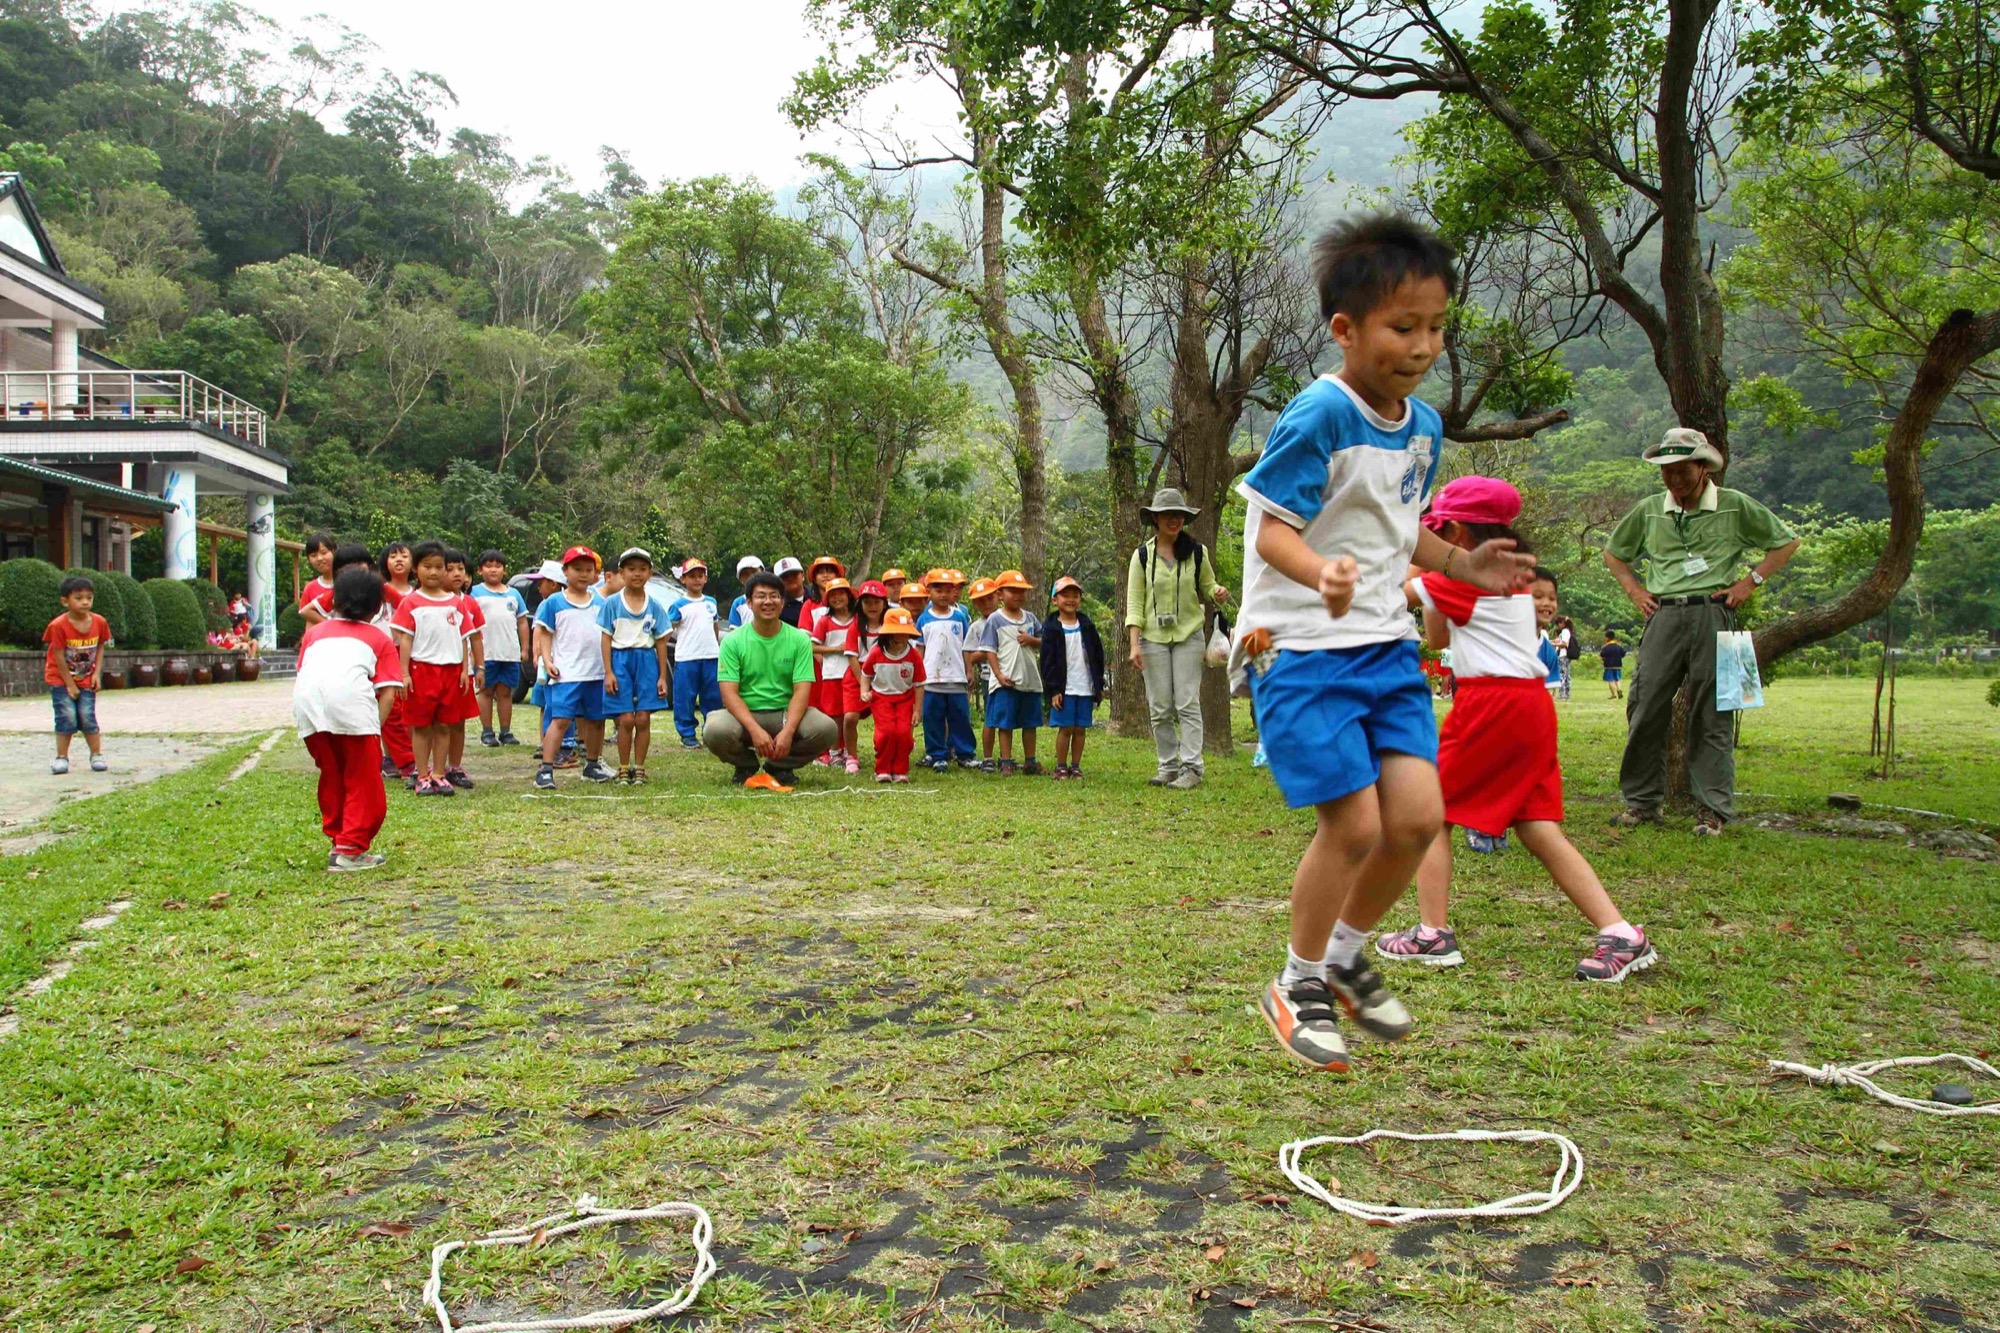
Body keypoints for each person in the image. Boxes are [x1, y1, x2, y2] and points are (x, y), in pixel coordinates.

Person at [1230, 212, 1536, 1074]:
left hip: (1387, 649)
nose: (1424, 344)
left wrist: (1464, 563)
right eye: (1404, 327)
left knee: (1415, 818)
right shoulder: (1319, 414)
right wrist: (1317, 569)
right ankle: (1296, 981)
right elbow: (1271, 535)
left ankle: (1346, 957)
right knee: (1355, 824)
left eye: (1437, 326)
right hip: (1300, 651)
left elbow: (1402, 534)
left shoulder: (1426, 427)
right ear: (1346, 328)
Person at [1374, 477, 1658, 981]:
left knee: (1430, 812)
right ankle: (1620, 933)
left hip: (1491, 704)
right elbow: (1439, 636)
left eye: (1439, 533)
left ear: (1457, 534)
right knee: (1536, 826)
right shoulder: (1514, 576)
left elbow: (1390, 595)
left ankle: (1431, 934)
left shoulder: (1461, 576)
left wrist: (1418, 559)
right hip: (1530, 706)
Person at [1603, 427, 1802, 835]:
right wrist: (1635, 590)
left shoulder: (1734, 505)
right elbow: (1614, 553)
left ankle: (1712, 810)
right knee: (1644, 706)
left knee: (1716, 712)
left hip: (1717, 614)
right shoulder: (1649, 510)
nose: (1674, 479)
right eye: (1666, 471)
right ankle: (1642, 803)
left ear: (1703, 467)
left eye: (1681, 470)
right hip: (1663, 614)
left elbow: (1785, 542)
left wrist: (1751, 583)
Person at [293, 566, 403, 872]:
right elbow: (388, 693)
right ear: (378, 607)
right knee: (364, 781)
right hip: (353, 711)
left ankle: (338, 839)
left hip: (308, 711)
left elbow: (306, 673)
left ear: (334, 601)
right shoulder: (378, 638)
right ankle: (350, 849)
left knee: (333, 775)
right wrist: (374, 731)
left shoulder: (314, 633)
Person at [1126, 488, 1232, 790]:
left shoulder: (1197, 552)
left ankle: (1192, 768)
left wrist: (1218, 593)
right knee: (1159, 706)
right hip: (1152, 638)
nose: (1174, 520)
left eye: (1179, 515)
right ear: (1156, 518)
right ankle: (1167, 766)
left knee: (1187, 703)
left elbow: (1209, 586)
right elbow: (1135, 603)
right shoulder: (1142, 555)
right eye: (1168, 515)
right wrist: (1134, 644)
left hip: (1189, 636)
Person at [708, 570, 839, 788]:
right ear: (749, 603)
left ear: (782, 601)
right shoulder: (732, 641)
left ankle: (779, 766)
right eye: (760, 596)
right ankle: (745, 765)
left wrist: (788, 731)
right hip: (746, 715)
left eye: (774, 596)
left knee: (826, 729)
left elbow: (801, 691)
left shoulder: (799, 640)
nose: (768, 601)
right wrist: (754, 730)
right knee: (714, 730)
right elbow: (729, 693)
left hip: (785, 714)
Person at [388, 541, 476, 797]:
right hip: (421, 671)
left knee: (445, 725)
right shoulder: (411, 602)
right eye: (428, 566)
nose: (434, 572)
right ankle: (422, 774)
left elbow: (463, 638)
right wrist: (404, 674)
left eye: (440, 567)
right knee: (422, 726)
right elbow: (405, 639)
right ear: (416, 569)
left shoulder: (457, 603)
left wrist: (464, 669)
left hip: (450, 672)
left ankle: (439, 774)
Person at [533, 546, 614, 789]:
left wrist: (609, 669)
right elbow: (545, 633)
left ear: (595, 574)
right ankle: (546, 769)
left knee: (597, 721)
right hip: (566, 673)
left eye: (588, 570)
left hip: (596, 672)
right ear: (565, 571)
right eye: (576, 569)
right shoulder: (554, 602)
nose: (582, 574)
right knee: (561, 720)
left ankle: (592, 764)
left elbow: (608, 634)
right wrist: (547, 661)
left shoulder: (602, 603)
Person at [597, 547, 672, 784]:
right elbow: (606, 638)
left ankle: (639, 767)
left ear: (650, 573)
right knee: (626, 719)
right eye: (631, 569)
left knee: (643, 718)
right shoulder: (611, 604)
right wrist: (608, 672)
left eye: (642, 569)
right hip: (620, 660)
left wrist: (662, 676)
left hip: (646, 661)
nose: (636, 574)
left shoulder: (655, 606)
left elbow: (661, 642)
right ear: (621, 572)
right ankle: (623, 766)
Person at [1040, 576, 1107, 781]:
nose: (1070, 599)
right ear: (1055, 600)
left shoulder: (1087, 625)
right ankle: (1061, 766)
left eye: (1075, 596)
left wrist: (1099, 684)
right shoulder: (1051, 629)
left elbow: (1097, 655)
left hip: (1085, 685)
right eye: (1065, 595)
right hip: (1064, 688)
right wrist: (1053, 690)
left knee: (1080, 728)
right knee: (1066, 727)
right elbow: (1047, 662)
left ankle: (1075, 766)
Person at [44, 574, 112, 775]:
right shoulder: (57, 626)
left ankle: (96, 754)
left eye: (89, 597)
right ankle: (61, 758)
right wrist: (70, 685)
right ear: (65, 601)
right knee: (66, 717)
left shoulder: (99, 622)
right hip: (60, 679)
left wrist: (96, 674)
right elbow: (57, 656)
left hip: (86, 679)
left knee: (88, 717)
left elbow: (100, 646)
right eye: (79, 598)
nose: (85, 602)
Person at [979, 569, 1044, 775]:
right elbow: (989, 650)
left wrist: (1032, 640)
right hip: (1006, 681)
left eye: (1021, 591)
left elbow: (1045, 643)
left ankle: (1030, 761)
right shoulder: (995, 620)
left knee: (1030, 723)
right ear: (1000, 594)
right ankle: (1005, 761)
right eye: (1011, 591)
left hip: (1030, 679)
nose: (1017, 595)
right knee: (1005, 724)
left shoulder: (1031, 618)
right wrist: (998, 675)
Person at [857, 606, 926, 782]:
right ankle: (883, 769)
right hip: (881, 698)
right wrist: (864, 691)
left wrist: (917, 710)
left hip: (904, 698)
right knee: (886, 733)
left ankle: (900, 770)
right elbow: (866, 674)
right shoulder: (877, 652)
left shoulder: (913, 656)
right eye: (897, 632)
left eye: (905, 633)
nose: (902, 637)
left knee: (903, 734)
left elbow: (919, 684)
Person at [916, 571, 976, 771]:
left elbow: (966, 646)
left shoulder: (959, 617)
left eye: (947, 590)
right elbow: (920, 650)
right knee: (933, 718)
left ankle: (965, 753)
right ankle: (937, 754)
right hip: (931, 679)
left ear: (954, 592)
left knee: (960, 717)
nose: (943, 595)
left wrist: (969, 670)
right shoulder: (924, 619)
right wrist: (918, 677)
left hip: (956, 677)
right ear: (929, 592)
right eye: (937, 590)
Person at [471, 551, 529, 746]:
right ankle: (487, 732)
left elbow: (522, 622)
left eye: (497, 565)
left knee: (505, 693)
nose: (493, 569)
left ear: (504, 569)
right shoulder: (475, 593)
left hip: (509, 653)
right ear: (480, 570)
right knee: (485, 692)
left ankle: (506, 732)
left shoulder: (513, 594)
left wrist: (524, 648)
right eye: (488, 565)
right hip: (485, 652)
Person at [438, 547, 485, 790]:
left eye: (461, 569)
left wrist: (480, 668)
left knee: (458, 722)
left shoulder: (470, 603)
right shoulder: (429, 600)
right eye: (450, 569)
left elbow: (476, 637)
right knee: (434, 722)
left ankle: (454, 766)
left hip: (462, 673)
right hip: (436, 670)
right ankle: (427, 768)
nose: (457, 574)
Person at [668, 559, 724, 749]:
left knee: (713, 697)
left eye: (700, 576)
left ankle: (712, 732)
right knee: (685, 698)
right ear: (683, 579)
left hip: (711, 657)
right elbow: (669, 630)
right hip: (686, 658)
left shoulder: (711, 602)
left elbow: (714, 626)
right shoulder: (678, 605)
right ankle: (687, 734)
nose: (696, 580)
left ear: (706, 578)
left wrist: (715, 646)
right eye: (692, 576)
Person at [811, 578, 862, 773]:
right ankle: (834, 753)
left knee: (851, 716)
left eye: (841, 593)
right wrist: (835, 649)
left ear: (849, 596)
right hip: (832, 674)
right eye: (832, 595)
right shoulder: (825, 621)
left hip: (853, 673)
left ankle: (851, 752)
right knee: (834, 716)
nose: (837, 598)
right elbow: (812, 645)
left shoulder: (858, 619)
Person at [963, 577, 1001, 771]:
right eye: (980, 600)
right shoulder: (977, 627)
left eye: (989, 598)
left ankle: (1006, 757)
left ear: (998, 596)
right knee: (991, 717)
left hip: (1010, 676)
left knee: (1006, 718)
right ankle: (987, 758)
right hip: (989, 678)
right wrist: (986, 652)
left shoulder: (1008, 619)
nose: (986, 603)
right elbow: (968, 653)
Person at [1533, 571, 1564, 697]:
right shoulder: (1501, 644)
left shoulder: (1548, 652)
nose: (1547, 603)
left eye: (1552, 598)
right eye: (1538, 596)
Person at [297, 532, 338, 626]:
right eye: (313, 555)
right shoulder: (310, 587)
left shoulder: (347, 582)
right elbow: (308, 620)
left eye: (324, 553)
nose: (319, 558)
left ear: (334, 551)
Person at [725, 555, 764, 632]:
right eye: (745, 574)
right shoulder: (738, 604)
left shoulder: (774, 600)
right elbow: (734, 632)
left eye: (754, 572)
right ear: (740, 579)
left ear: (763, 572)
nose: (751, 576)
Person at [774, 556, 810, 627]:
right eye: (785, 577)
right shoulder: (777, 606)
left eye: (794, 574)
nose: (790, 579)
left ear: (802, 575)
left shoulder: (817, 598)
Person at [1552, 615, 1575, 700]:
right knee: (1566, 674)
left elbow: (1564, 643)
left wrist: (1554, 644)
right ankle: (1567, 693)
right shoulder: (1566, 631)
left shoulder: (1565, 631)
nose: (1558, 626)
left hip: (1563, 655)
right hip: (1565, 656)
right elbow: (1558, 640)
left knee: (1562, 675)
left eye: (1558, 624)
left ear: (1562, 623)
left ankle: (1563, 694)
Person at [1601, 630, 1627, 699]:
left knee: (1611, 680)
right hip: (1618, 665)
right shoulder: (1618, 646)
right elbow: (1623, 653)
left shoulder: (1606, 647)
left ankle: (1613, 694)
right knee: (1617, 679)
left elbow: (1602, 655)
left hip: (1609, 666)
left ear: (1608, 638)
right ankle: (1619, 689)